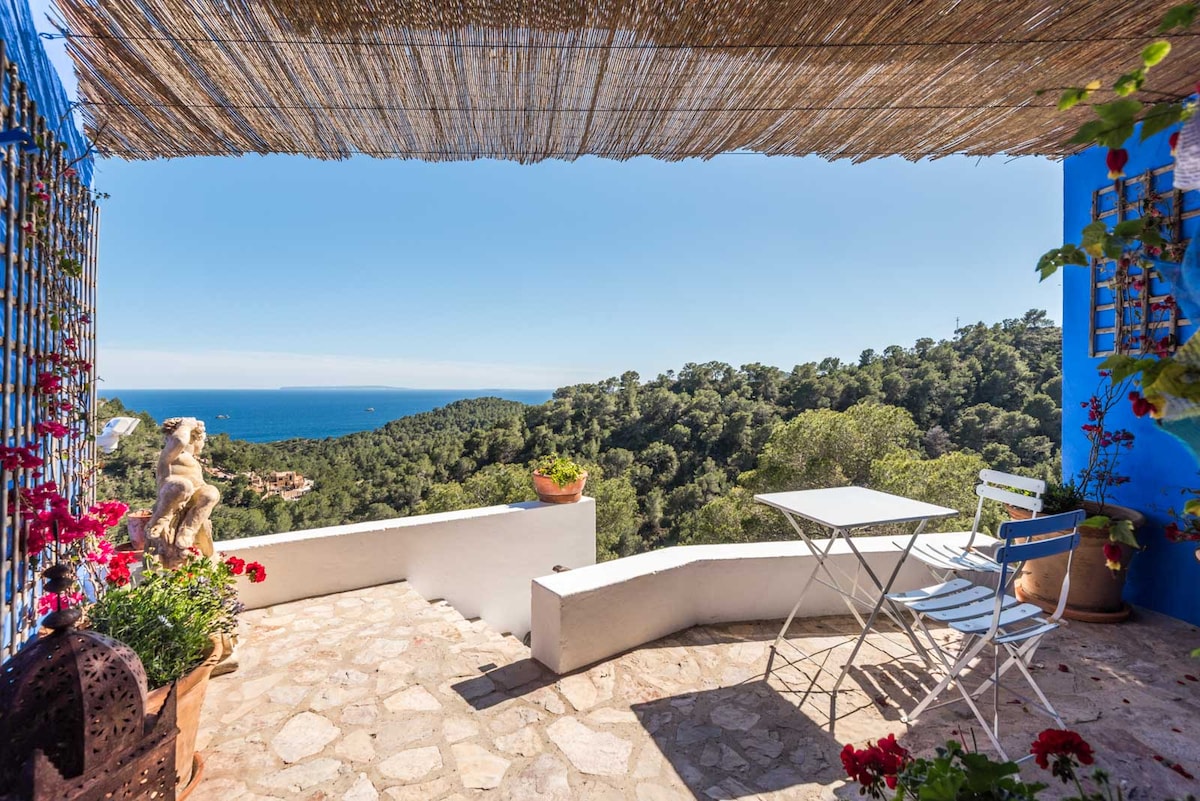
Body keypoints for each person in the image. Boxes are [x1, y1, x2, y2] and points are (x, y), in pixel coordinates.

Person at [145, 417, 219, 565]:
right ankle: (160, 520)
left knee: (211, 493)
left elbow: (201, 486)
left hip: (192, 497)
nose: (202, 444)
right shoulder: (169, 455)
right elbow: (179, 441)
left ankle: (188, 529)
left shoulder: (193, 461)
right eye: (200, 440)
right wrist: (186, 425)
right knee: (182, 486)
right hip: (171, 492)